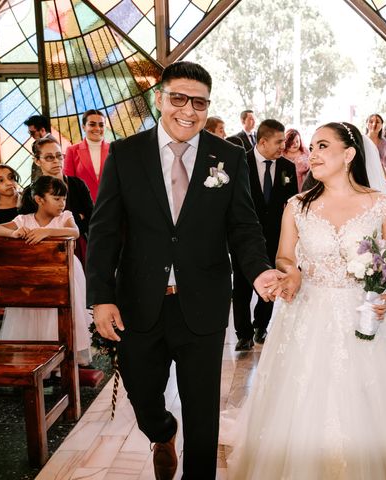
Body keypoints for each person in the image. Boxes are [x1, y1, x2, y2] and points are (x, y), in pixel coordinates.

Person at [224, 122, 386, 479]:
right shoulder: (297, 207)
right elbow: (283, 257)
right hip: (309, 318)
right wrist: (291, 273)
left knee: (375, 409)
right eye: (311, 146)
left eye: (323, 145)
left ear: (349, 154)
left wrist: (383, 297)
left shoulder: (381, 205)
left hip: (368, 320)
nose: (313, 153)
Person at [85, 61, 281, 479]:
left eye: (199, 101)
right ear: (159, 98)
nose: (187, 110)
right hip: (138, 302)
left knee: (203, 412)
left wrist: (260, 270)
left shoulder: (228, 156)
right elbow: (103, 233)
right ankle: (162, 430)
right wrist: (101, 298)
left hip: (203, 303)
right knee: (142, 394)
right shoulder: (125, 154)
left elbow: (244, 227)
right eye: (178, 97)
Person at [0, 175, 93, 365]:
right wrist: (13, 233)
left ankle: (65, 361)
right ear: (39, 200)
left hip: (64, 272)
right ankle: (37, 360)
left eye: (63, 198)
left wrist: (47, 232)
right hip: (33, 278)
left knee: (59, 316)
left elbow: (75, 232)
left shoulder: (65, 217)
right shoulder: (24, 220)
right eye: (56, 198)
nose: (62, 203)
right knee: (34, 317)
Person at [232, 119, 297, 350]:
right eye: (279, 142)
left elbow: (292, 205)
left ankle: (261, 326)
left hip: (275, 236)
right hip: (244, 238)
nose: (283, 146)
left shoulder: (287, 168)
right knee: (241, 284)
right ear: (263, 141)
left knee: (272, 281)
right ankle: (243, 333)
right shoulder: (240, 162)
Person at [25, 137, 93, 265]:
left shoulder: (77, 185)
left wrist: (73, 223)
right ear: (37, 161)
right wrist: (77, 218)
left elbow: (92, 216)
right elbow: (30, 222)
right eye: (49, 157)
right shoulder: (31, 191)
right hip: (45, 248)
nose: (56, 161)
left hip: (80, 246)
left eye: (59, 156)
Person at [63, 109, 110, 202]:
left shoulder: (114, 149)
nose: (97, 128)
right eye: (92, 124)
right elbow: (69, 185)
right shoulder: (72, 151)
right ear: (83, 127)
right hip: (86, 208)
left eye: (101, 125)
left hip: (112, 206)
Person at [25, 114, 58, 182]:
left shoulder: (50, 144)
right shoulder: (43, 142)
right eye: (29, 132)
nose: (31, 135)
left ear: (42, 130)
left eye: (32, 132)